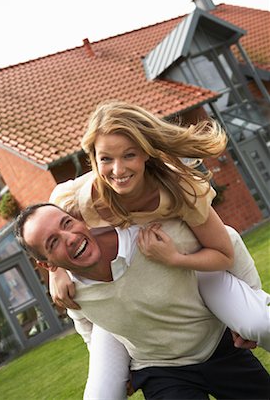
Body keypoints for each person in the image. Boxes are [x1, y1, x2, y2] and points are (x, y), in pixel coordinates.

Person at [47, 101, 269, 398]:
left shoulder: (179, 189)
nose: (118, 170)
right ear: (93, 159)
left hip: (190, 276)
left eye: (129, 155)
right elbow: (45, 236)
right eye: (105, 159)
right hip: (120, 303)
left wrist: (176, 258)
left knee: (260, 324)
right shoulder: (75, 198)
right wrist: (57, 272)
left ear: (146, 152)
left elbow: (226, 249)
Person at [15, 203, 270, 400]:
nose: (69, 237)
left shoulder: (148, 239)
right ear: (47, 264)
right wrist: (116, 369)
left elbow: (227, 240)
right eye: (53, 242)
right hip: (159, 370)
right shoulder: (69, 291)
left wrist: (247, 305)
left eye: (67, 223)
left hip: (216, 346)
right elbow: (85, 321)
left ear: (80, 219)